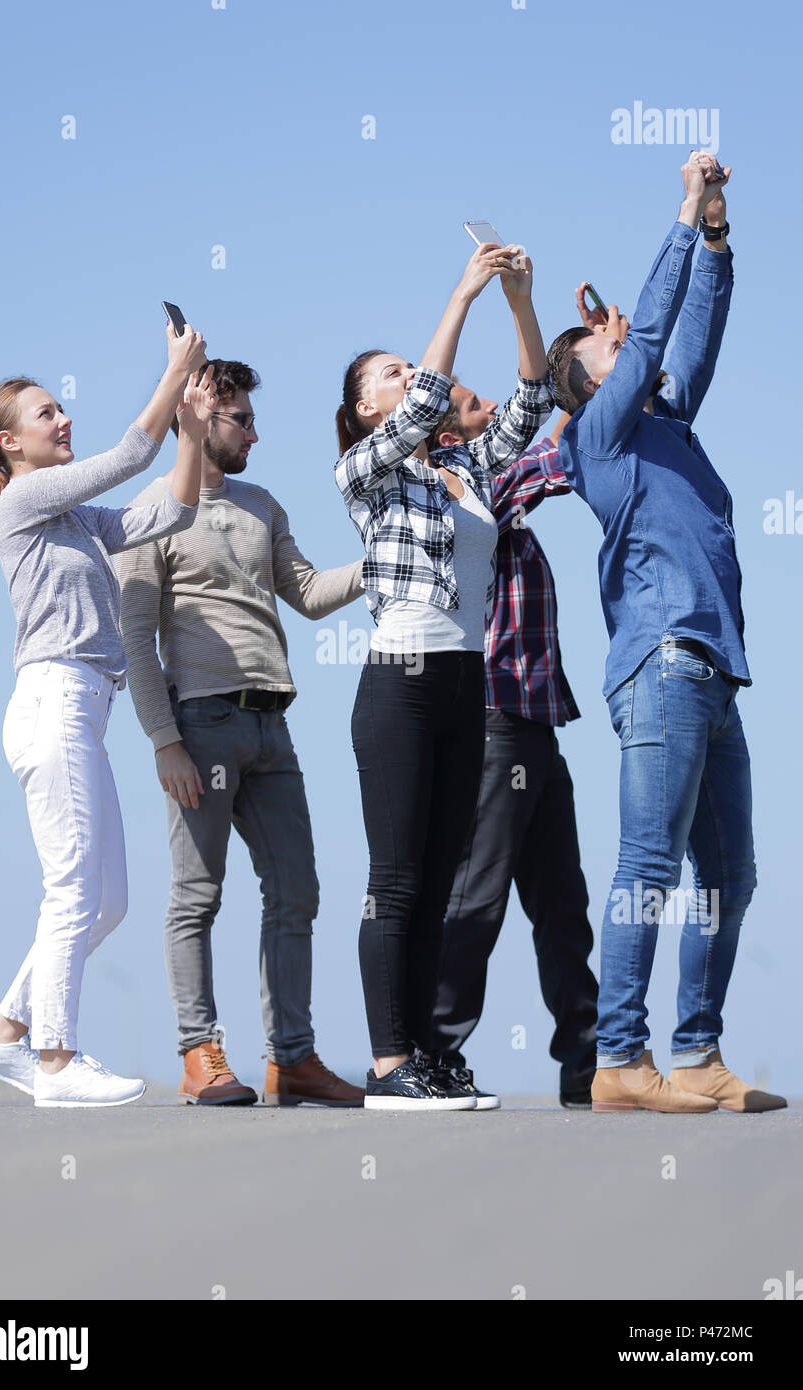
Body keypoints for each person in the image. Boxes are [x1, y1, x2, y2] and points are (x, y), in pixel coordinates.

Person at [547, 152, 786, 1113]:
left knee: (730, 874)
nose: (622, 341)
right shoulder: (592, 437)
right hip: (661, 663)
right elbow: (647, 334)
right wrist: (681, 214)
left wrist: (716, 233)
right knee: (649, 866)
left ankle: (697, 1055)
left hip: (716, 670)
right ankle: (618, 1058)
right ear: (586, 382)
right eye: (603, 346)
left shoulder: (666, 422)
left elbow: (696, 331)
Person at [0, 320, 214, 1107]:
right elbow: (127, 457)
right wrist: (174, 371)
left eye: (60, 408)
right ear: (11, 443)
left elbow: (163, 514)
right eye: (47, 414)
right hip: (54, 699)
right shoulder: (28, 498)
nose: (63, 418)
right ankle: (57, 1060)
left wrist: (193, 435)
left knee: (106, 900)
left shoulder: (72, 520)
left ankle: (5, 1034)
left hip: (80, 711)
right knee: (73, 890)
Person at [335, 241, 554, 1109]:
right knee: (395, 879)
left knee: (440, 879)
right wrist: (462, 293)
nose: (412, 377)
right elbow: (431, 396)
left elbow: (532, 401)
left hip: (469, 680)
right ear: (364, 408)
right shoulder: (363, 471)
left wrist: (520, 303)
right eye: (390, 372)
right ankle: (389, 1063)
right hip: (400, 681)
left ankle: (422, 1053)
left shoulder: (463, 470)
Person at [115, 359, 365, 1107]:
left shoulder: (263, 505)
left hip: (273, 726)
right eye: (241, 419)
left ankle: (293, 1060)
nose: (255, 431)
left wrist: (383, 562)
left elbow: (312, 594)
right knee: (198, 894)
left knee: (298, 891)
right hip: (202, 725)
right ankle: (199, 1054)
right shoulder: (150, 511)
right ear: (202, 416)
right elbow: (134, 635)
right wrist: (165, 741)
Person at [425, 390, 598, 1110]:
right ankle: (434, 1053)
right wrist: (584, 378)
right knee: (479, 897)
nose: (492, 403)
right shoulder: (464, 483)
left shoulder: (498, 493)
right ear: (444, 433)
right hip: (498, 726)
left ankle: (588, 1062)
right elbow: (560, 453)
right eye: (472, 402)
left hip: (535, 726)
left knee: (562, 903)